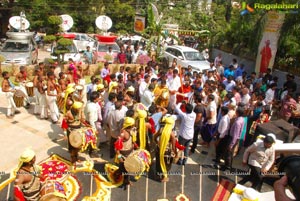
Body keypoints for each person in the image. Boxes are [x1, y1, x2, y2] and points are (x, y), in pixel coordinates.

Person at [223, 106, 245, 171]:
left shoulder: (238, 122)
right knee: (230, 153)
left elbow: (235, 134)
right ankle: (228, 165)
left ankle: (227, 166)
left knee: (229, 152)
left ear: (237, 112)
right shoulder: (241, 119)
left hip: (233, 138)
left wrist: (231, 144)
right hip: (235, 138)